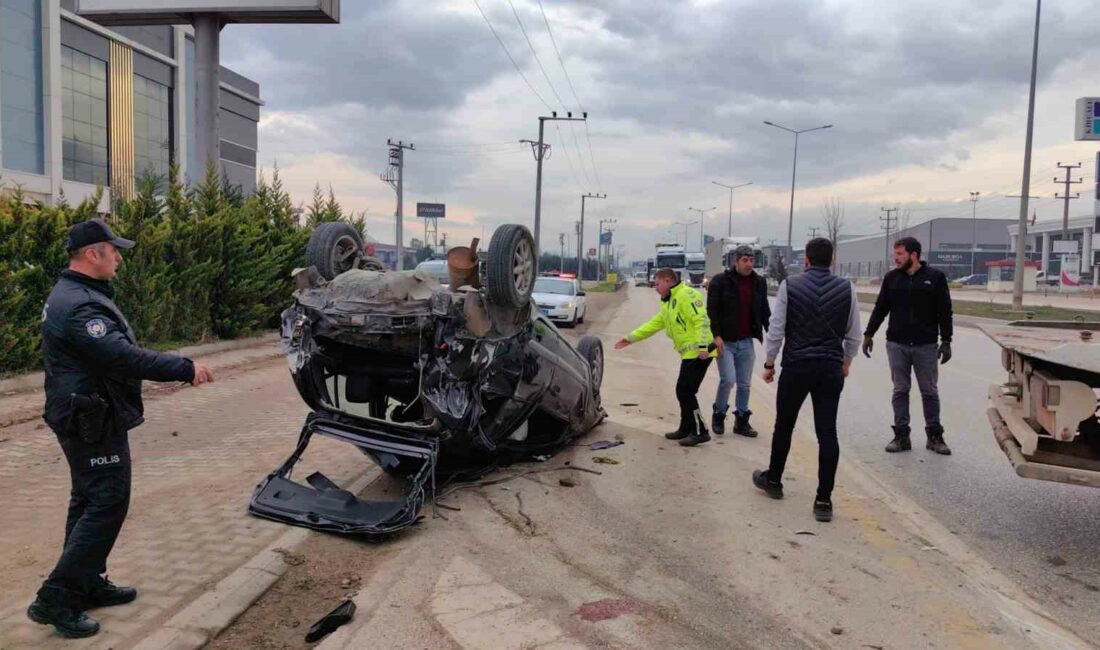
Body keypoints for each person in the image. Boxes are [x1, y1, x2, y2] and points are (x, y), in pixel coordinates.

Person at [28, 218, 215, 638]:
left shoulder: (79, 294)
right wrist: (184, 368)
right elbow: (122, 356)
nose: (119, 257)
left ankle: (86, 581)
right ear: (92, 253)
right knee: (107, 502)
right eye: (114, 250)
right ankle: (55, 598)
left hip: (89, 412)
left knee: (88, 499)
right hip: (89, 417)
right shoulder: (79, 305)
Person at [752, 238, 861, 522]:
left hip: (797, 366)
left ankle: (774, 481)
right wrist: (846, 362)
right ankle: (823, 501)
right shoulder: (847, 288)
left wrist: (769, 362)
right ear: (832, 260)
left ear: (807, 260)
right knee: (828, 433)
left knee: (784, 425)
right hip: (829, 368)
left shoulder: (791, 285)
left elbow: (777, 329)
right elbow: (854, 335)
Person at [862, 237, 953, 456]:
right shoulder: (892, 278)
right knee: (900, 390)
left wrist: (947, 340)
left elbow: (944, 310)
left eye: (900, 254)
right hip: (897, 344)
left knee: (929, 391)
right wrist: (869, 333)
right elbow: (881, 308)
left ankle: (935, 436)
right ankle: (901, 436)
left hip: (926, 345)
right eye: (895, 254)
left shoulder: (935, 278)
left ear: (914, 255)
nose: (896, 258)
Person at [615, 267, 716, 447]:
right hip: (689, 353)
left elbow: (701, 320)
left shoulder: (687, 295)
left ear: (668, 280)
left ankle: (700, 431)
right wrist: (630, 338)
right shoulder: (668, 302)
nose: (655, 287)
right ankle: (685, 428)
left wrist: (702, 347)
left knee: (685, 391)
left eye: (657, 283)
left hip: (700, 352)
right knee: (684, 391)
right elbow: (654, 324)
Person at [706, 245, 771, 437]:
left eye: (751, 260)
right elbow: (712, 310)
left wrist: (774, 332)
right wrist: (716, 335)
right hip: (724, 341)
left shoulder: (759, 282)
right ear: (736, 261)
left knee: (744, 384)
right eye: (745, 260)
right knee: (728, 379)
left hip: (746, 341)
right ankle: (718, 413)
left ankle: (741, 421)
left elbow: (764, 310)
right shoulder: (720, 281)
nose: (749, 264)